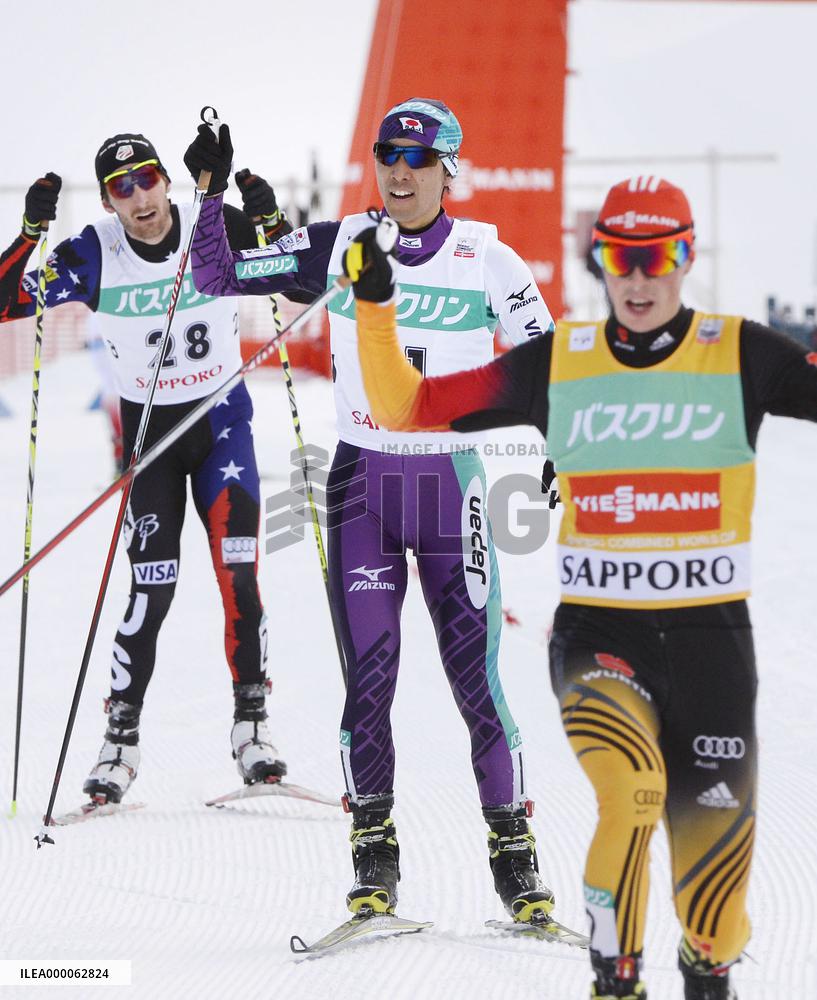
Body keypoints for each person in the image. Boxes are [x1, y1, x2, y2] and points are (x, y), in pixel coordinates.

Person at [341, 178, 817, 1000]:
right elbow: (406, 405)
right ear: (598, 260)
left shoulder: (739, 351)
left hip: (711, 645)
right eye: (620, 259)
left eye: (657, 258)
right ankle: (613, 981)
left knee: (715, 902)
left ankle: (708, 968)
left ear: (684, 257)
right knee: (631, 793)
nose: (638, 280)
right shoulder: (558, 362)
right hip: (603, 637)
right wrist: (377, 308)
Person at [183, 98, 559, 924]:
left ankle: (514, 855)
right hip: (362, 486)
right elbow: (217, 274)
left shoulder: (486, 258)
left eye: (417, 159)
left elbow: (551, 361)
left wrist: (563, 444)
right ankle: (373, 853)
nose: (399, 169)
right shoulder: (342, 242)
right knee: (371, 682)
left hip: (449, 484)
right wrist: (209, 196)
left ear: (446, 169)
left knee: (477, 682)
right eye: (387, 153)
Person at [0, 134, 292, 805]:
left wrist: (270, 218)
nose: (139, 197)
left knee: (238, 572)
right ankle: (120, 743)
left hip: (221, 426)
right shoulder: (94, 253)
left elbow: (293, 271)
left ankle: (252, 727)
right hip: (152, 439)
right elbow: (7, 301)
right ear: (107, 200)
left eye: (148, 178)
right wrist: (28, 233)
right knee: (150, 589)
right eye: (121, 187)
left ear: (167, 180)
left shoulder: (213, 225)